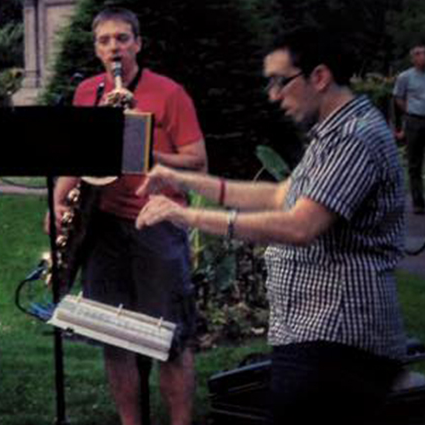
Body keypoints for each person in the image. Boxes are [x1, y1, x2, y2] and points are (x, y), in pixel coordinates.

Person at [137, 28, 407, 424]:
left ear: (319, 76)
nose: (273, 95)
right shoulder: (331, 135)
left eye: (280, 81)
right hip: (314, 334)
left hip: (340, 340)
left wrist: (185, 214)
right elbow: (281, 196)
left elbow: (300, 225)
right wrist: (184, 181)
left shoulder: (355, 137)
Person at [51, 8, 206, 425]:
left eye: (122, 38)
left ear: (138, 43)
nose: (114, 47)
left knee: (169, 336)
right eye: (104, 40)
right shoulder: (87, 91)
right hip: (102, 225)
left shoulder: (169, 92)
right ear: (96, 48)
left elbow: (198, 161)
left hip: (156, 223)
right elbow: (74, 155)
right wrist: (58, 202)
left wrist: (145, 151)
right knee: (114, 337)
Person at [393, 43, 425, 214]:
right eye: (419, 54)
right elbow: (398, 98)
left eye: (424, 53)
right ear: (413, 58)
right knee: (414, 163)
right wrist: (411, 111)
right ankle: (418, 202)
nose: (423, 56)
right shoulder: (405, 77)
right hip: (414, 121)